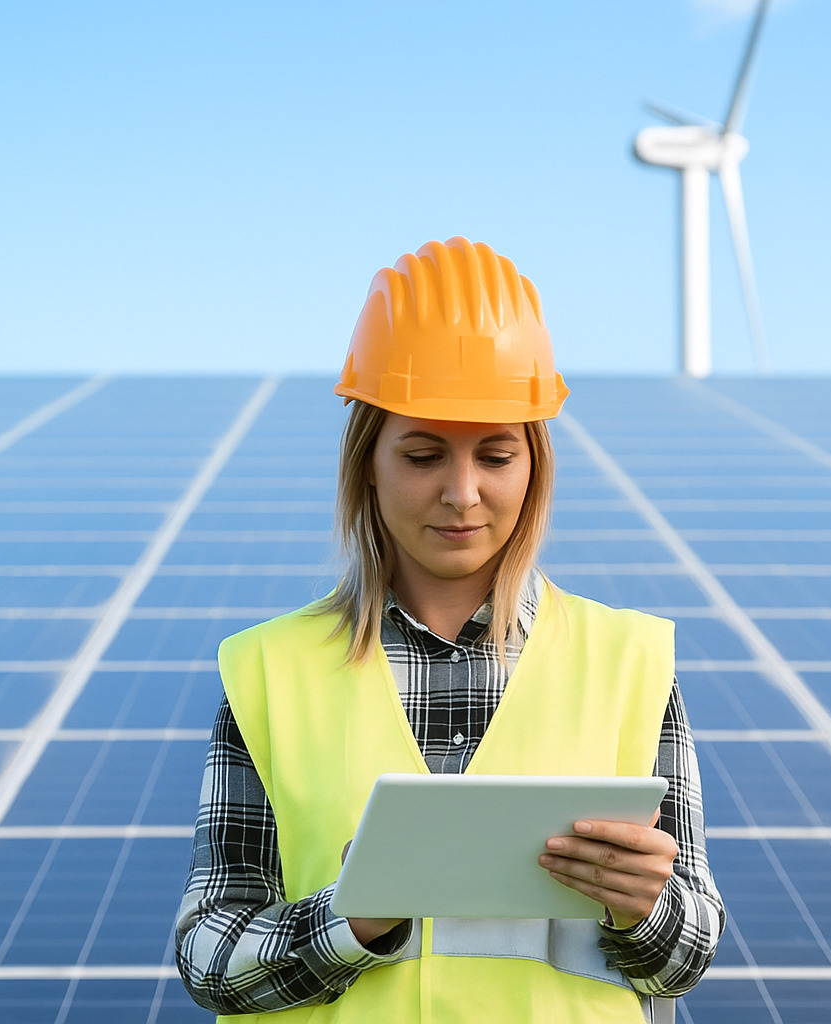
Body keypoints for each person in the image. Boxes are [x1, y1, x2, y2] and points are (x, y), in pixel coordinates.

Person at [174, 237, 724, 1022]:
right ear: (369, 462)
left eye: (495, 457)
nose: (462, 495)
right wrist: (348, 923)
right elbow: (209, 956)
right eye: (425, 455)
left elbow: (687, 955)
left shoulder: (629, 664)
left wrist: (646, 911)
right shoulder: (269, 672)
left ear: (534, 465)